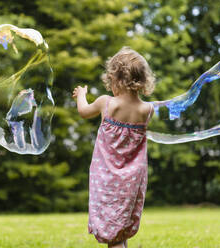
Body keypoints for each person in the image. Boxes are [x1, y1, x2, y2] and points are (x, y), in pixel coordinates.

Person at [72, 47, 156, 248]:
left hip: (107, 178)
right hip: (133, 178)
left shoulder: (107, 103)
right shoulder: (147, 110)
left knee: (113, 234)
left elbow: (83, 112)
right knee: (121, 227)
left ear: (116, 79)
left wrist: (81, 95)